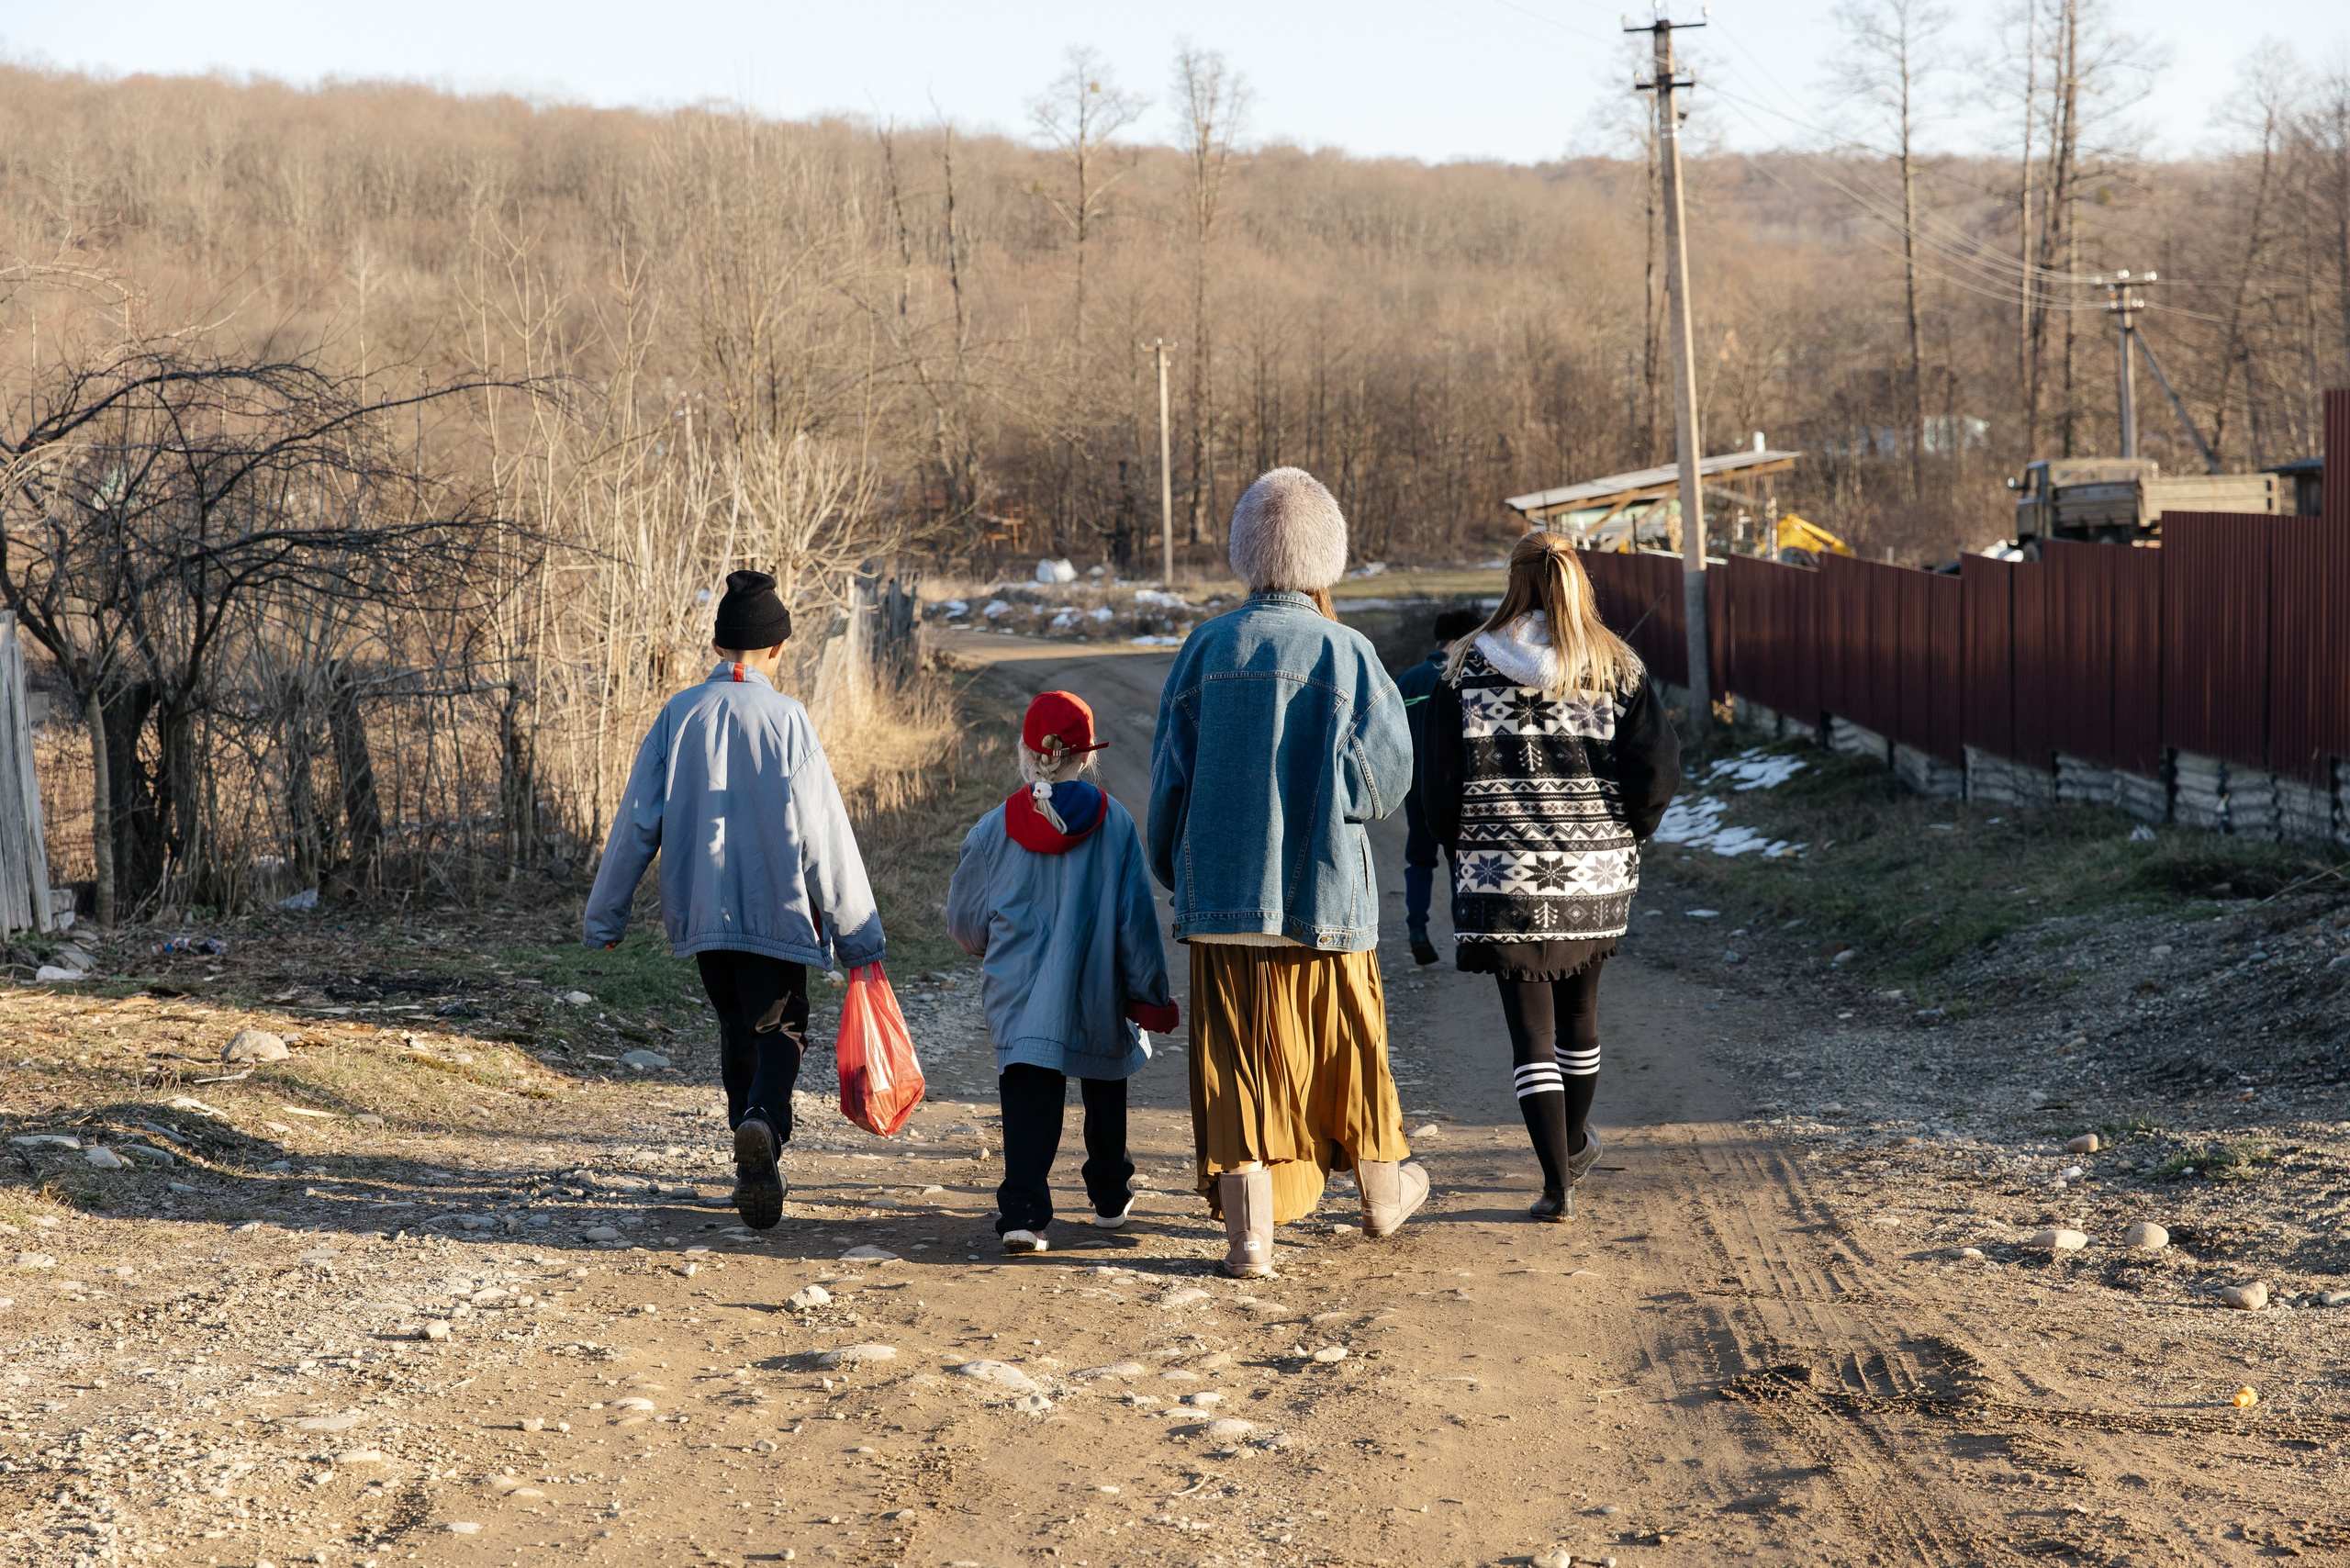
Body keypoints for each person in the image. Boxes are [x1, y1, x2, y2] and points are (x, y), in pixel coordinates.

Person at [1148, 466, 1427, 1278]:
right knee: (1348, 1047)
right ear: (1325, 558)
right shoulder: (1351, 653)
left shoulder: (1205, 648)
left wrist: (1183, 876)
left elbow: (1169, 785)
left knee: (1233, 1060)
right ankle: (1382, 1198)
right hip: (1328, 900)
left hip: (1225, 903)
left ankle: (1250, 1244)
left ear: (1245, 554)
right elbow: (1381, 787)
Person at [582, 569, 885, 1233]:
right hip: (775, 910)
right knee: (782, 1026)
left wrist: (607, 914)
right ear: (777, 649)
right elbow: (824, 830)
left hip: (699, 913)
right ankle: (764, 1128)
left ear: (719, 648)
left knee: (734, 1024)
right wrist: (858, 933)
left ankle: (747, 1154)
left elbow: (638, 820)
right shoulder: (788, 720)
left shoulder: (679, 714)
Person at [1421, 532, 1679, 1223]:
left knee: (1530, 1035)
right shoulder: (1616, 664)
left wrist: (1462, 845)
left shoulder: (1466, 666)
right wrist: (1631, 832)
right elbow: (1657, 769)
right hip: (1593, 872)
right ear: (1576, 582)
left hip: (1499, 873)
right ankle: (1571, 1147)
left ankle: (1558, 1182)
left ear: (1513, 581)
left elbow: (1440, 782)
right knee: (1580, 1018)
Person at [946, 690, 1176, 1255]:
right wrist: (1147, 991)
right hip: (1096, 986)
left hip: (1019, 994)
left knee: (1029, 1096)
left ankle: (1024, 1212)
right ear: (1086, 758)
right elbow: (1135, 920)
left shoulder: (993, 828)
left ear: (1027, 754)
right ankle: (1108, 1194)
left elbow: (965, 923)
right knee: (1104, 1083)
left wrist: (990, 944)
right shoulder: (1116, 824)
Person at [1395, 608, 1489, 966]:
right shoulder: (1463, 676)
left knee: (1419, 859)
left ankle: (1417, 929)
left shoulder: (1408, 680)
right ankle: (1464, 941)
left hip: (1416, 788)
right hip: (1456, 788)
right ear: (1464, 639)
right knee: (1459, 861)